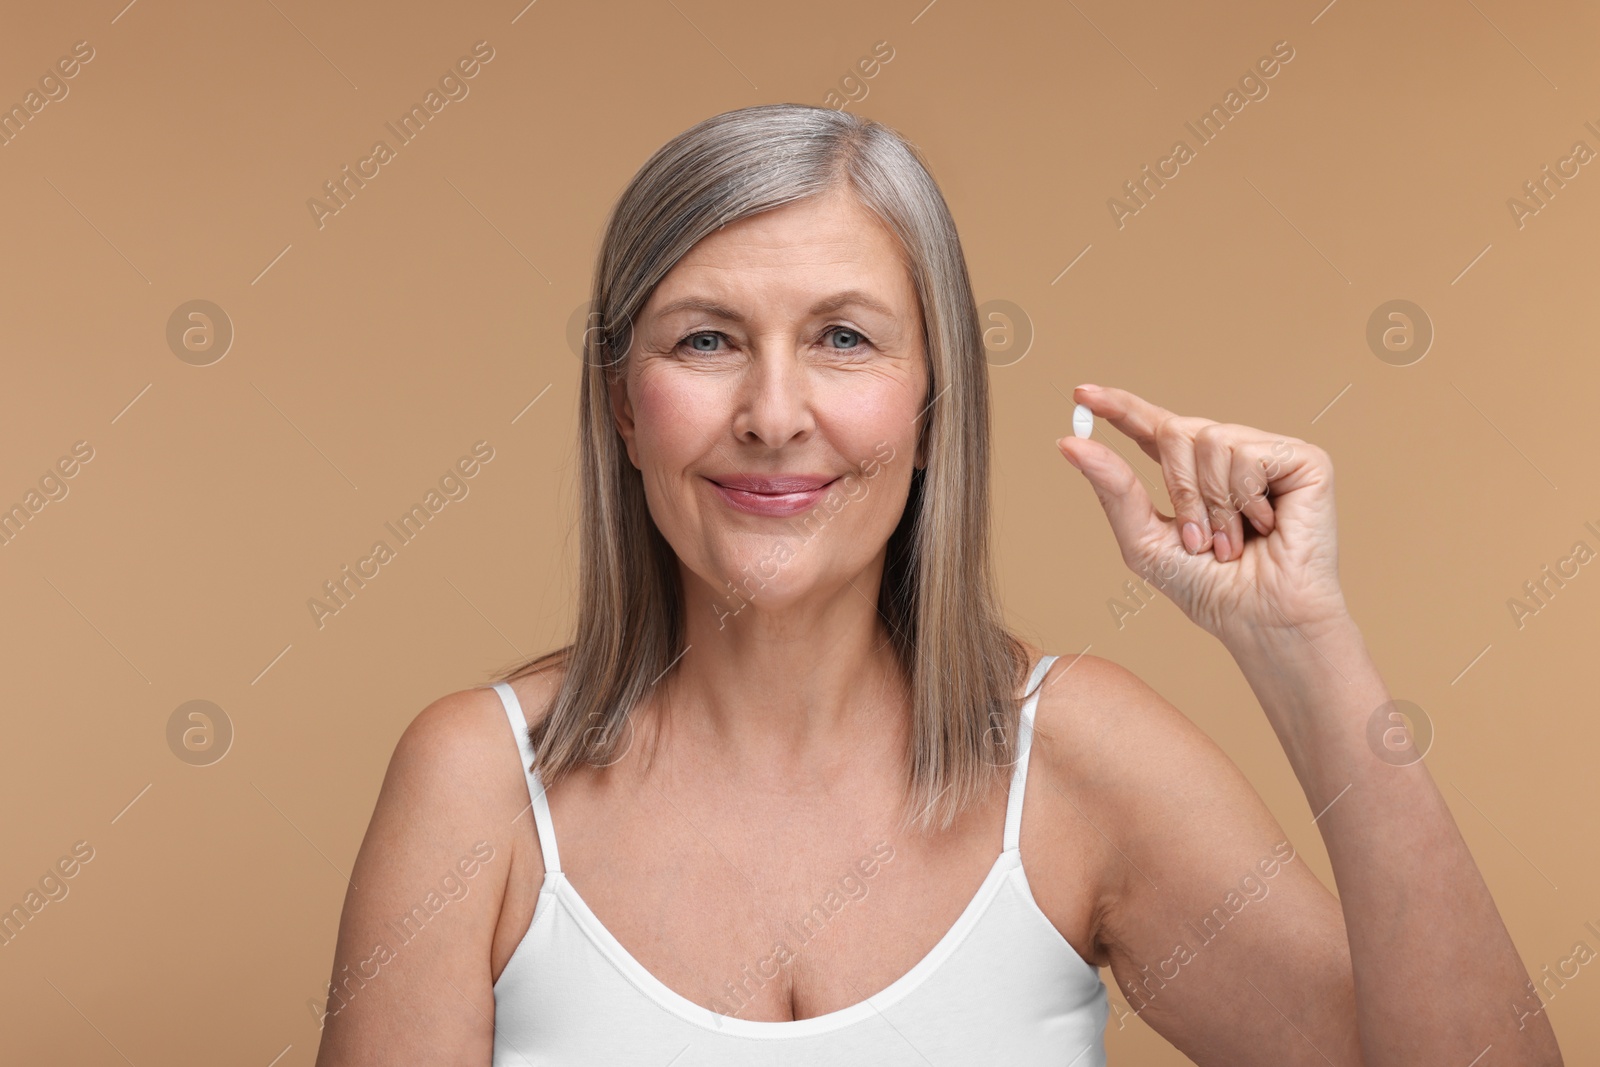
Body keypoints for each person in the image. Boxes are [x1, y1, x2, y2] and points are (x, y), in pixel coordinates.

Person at [312, 103, 1565, 1065]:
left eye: (843, 337)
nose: (772, 413)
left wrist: (1304, 647)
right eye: (706, 338)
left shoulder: (1076, 758)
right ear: (621, 412)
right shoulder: (477, 780)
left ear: (930, 410)